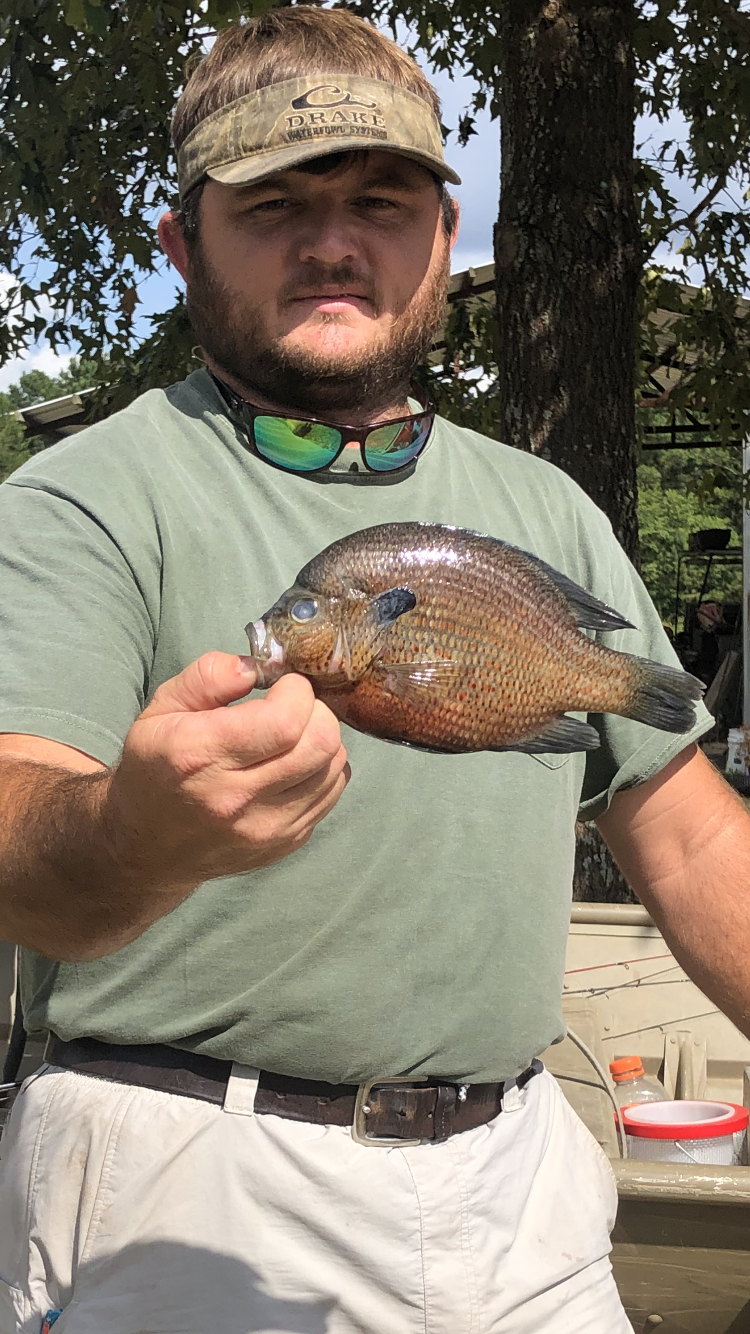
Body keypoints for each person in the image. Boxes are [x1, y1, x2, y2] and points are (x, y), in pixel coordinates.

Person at [0, 9, 747, 1333]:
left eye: (378, 200)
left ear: (441, 240)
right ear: (181, 244)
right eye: (273, 205)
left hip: (523, 1192)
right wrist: (129, 836)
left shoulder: (545, 509)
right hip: (181, 1183)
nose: (331, 241)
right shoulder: (81, 499)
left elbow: (691, 850)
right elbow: (18, 833)